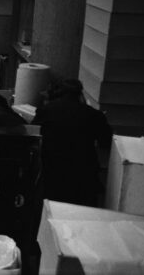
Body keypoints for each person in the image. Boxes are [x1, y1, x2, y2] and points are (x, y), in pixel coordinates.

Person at [32, 78, 112, 207]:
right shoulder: (94, 115)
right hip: (83, 175)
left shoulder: (46, 111)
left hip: (53, 172)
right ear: (79, 94)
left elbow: (34, 135)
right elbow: (106, 142)